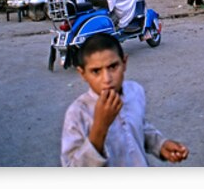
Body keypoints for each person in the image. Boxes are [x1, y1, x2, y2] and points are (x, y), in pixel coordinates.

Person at [61, 33, 189, 167]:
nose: (107, 79)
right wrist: (100, 127)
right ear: (83, 74)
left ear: (124, 63)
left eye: (113, 67)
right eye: (96, 71)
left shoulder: (134, 92)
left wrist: (160, 145)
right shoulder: (77, 113)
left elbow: (139, 128)